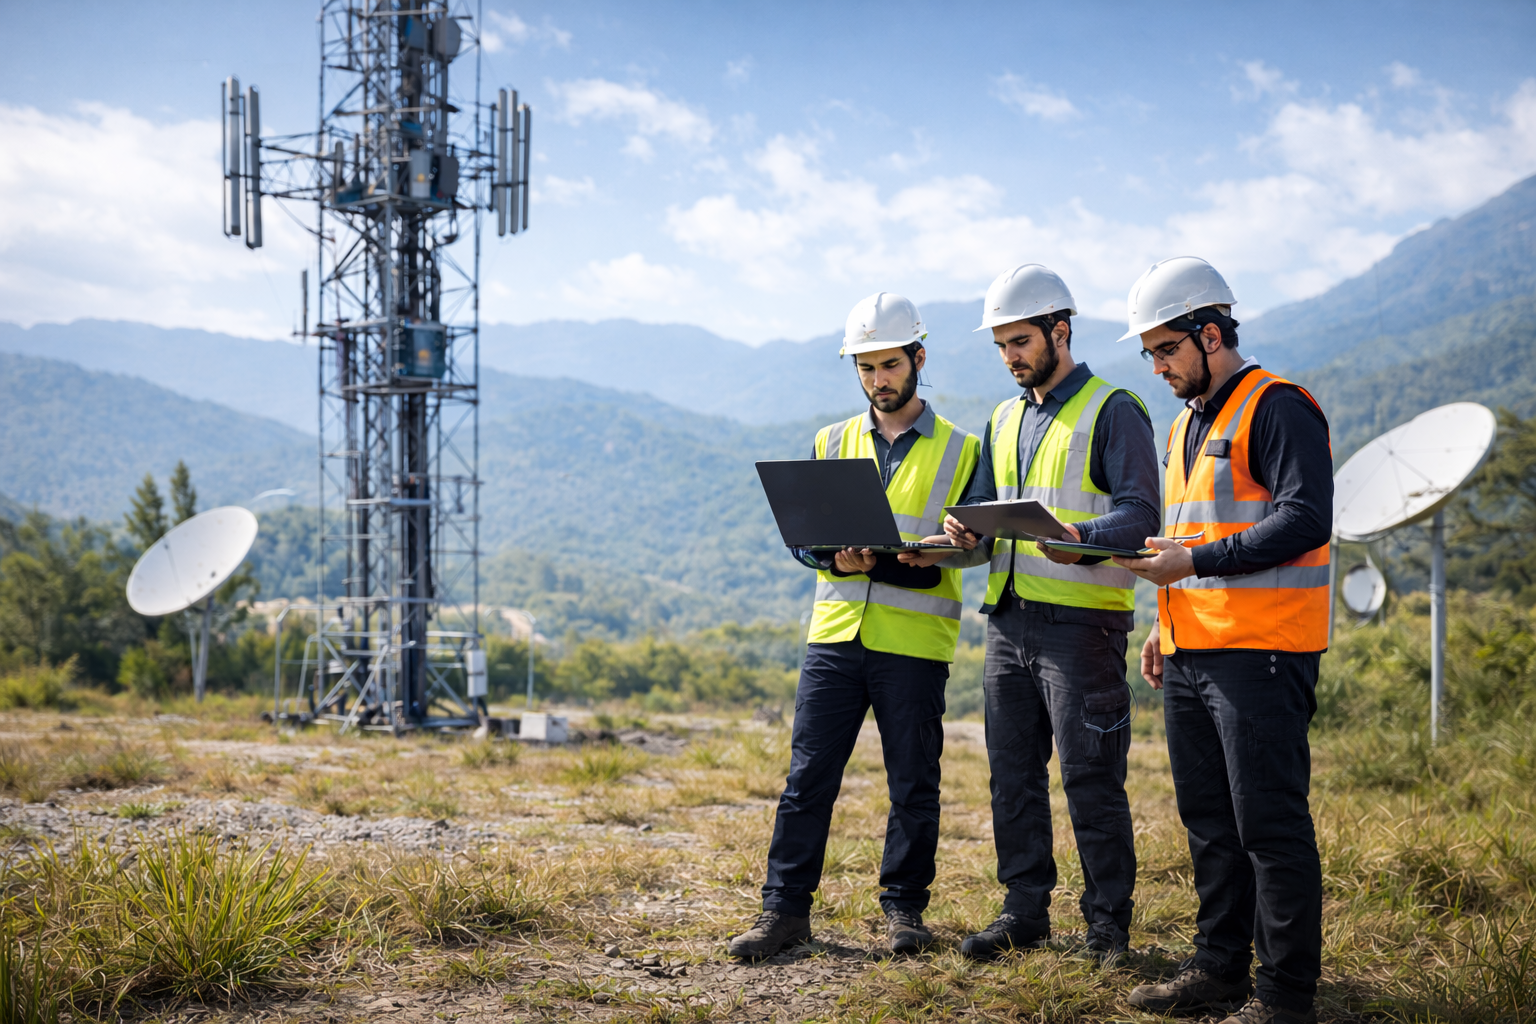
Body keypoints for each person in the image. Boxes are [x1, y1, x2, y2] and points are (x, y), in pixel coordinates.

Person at [727, 292, 981, 960]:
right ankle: (783, 913)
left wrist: (929, 549)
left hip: (915, 642)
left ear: (918, 358)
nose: (878, 380)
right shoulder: (829, 440)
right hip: (835, 638)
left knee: (913, 785)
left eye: (889, 364)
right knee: (806, 780)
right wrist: (829, 552)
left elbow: (978, 547)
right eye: (866, 368)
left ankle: (905, 913)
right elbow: (805, 539)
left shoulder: (964, 450)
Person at [1112, 257, 1331, 1024]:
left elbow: (1306, 519)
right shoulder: (1183, 425)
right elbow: (1185, 536)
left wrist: (1193, 563)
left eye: (1166, 349)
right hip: (1191, 650)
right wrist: (1161, 621)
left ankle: (1284, 998)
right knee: (1210, 822)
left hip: (1263, 655)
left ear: (1211, 334)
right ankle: (1218, 970)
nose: (1158, 365)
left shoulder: (1277, 407)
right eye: (1149, 355)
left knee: (1269, 825)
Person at [940, 264, 1161, 959]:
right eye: (1001, 344)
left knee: (1090, 777)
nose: (1010, 356)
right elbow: (980, 512)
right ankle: (1024, 913)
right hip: (1007, 623)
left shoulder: (1112, 407)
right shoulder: (1002, 419)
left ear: (1060, 330)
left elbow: (1142, 516)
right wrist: (960, 534)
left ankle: (1106, 928)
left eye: (1021, 340)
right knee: (1013, 774)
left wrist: (1081, 540)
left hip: (1081, 627)